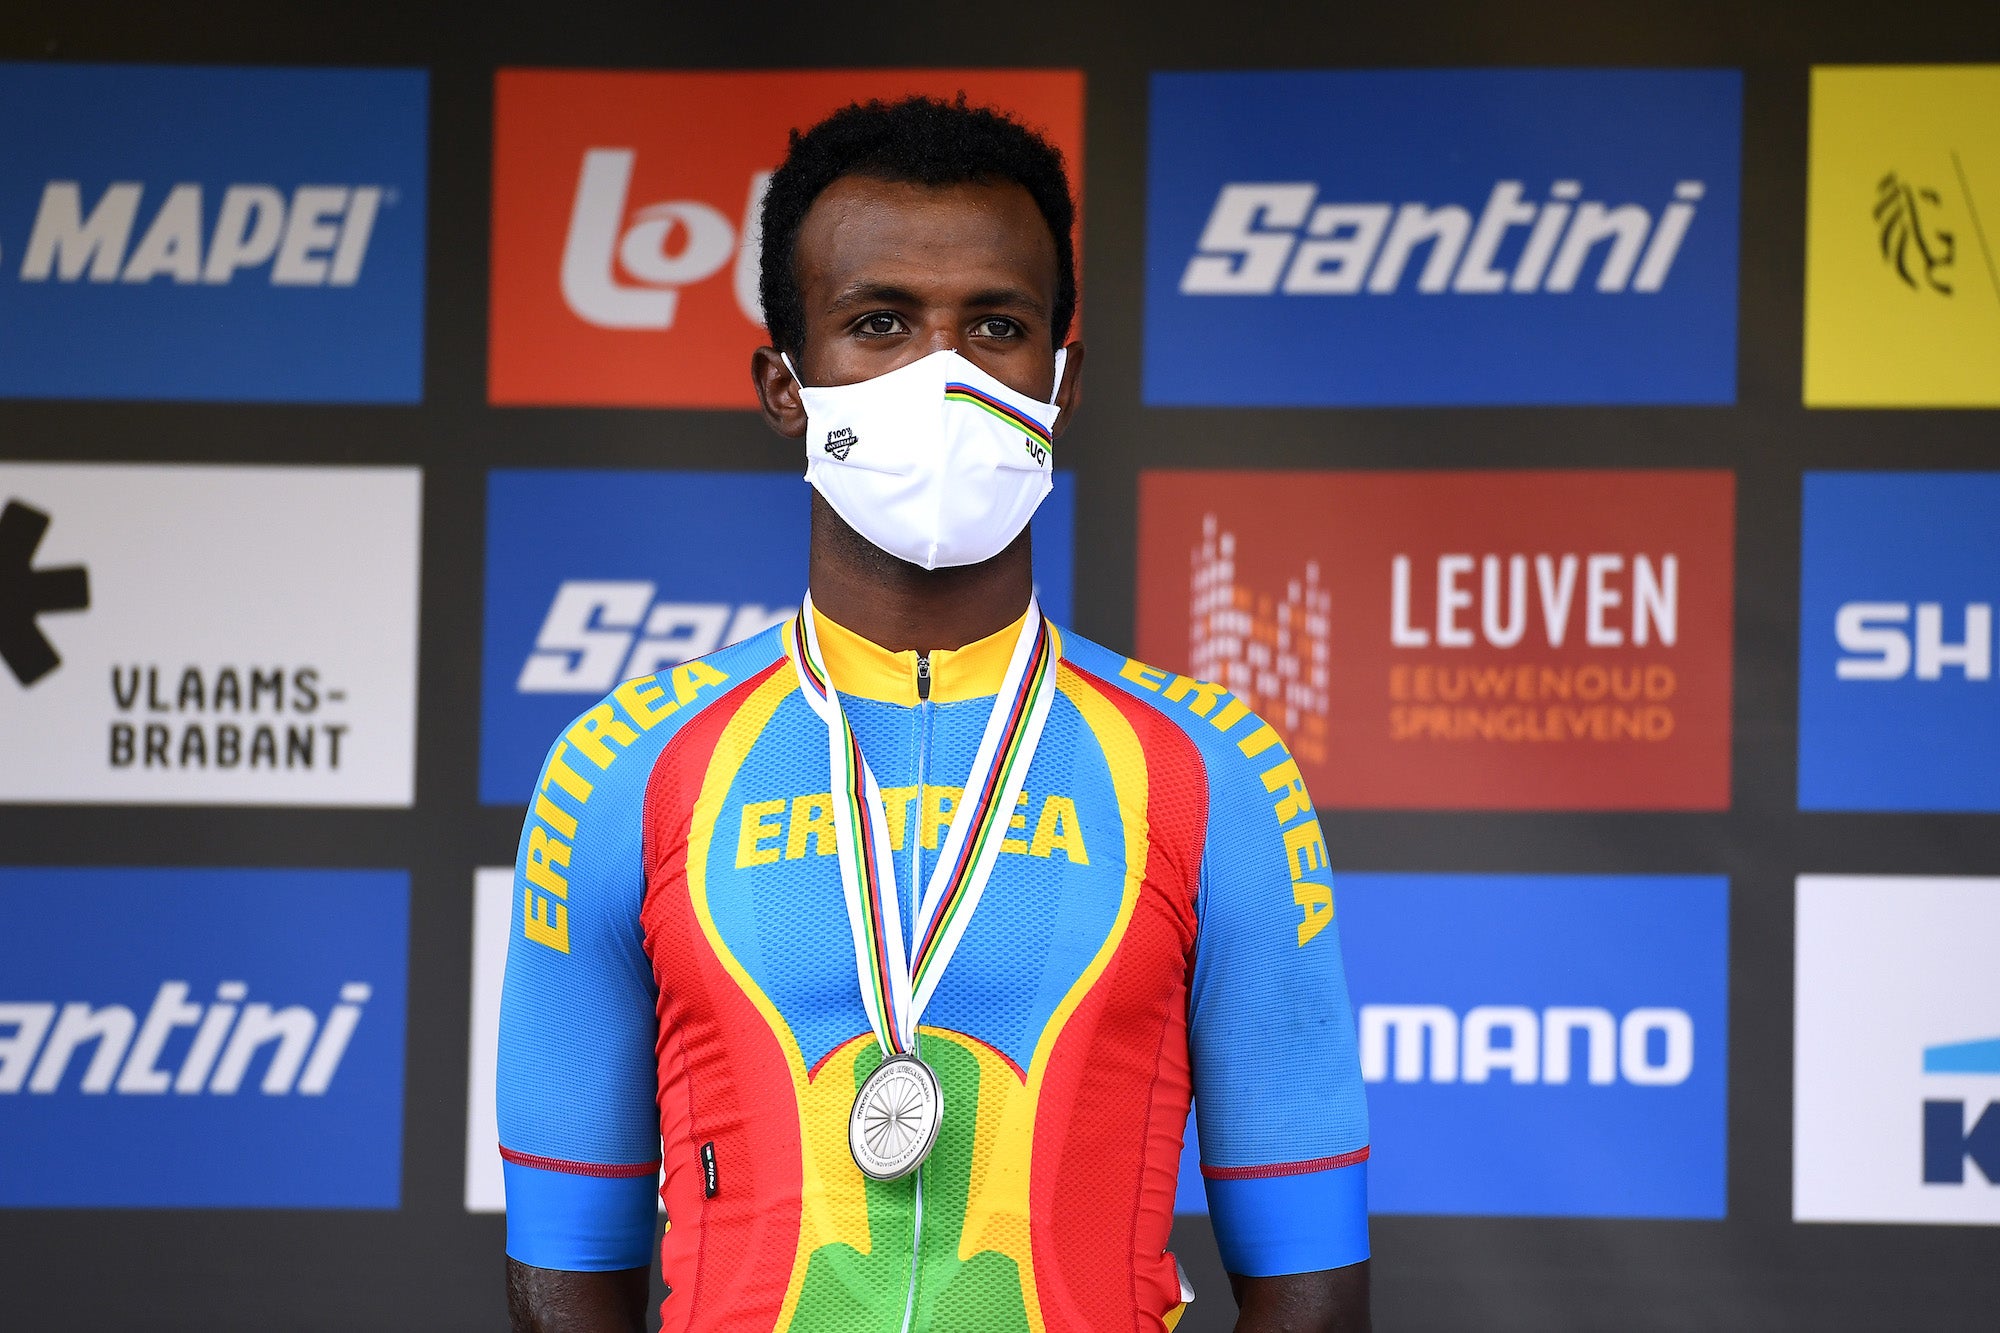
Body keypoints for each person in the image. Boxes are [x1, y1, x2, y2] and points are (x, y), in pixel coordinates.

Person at [497, 95, 1371, 1333]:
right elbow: (558, 1288)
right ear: (783, 387)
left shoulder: (1209, 772)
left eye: (996, 327)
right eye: (879, 324)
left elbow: (1316, 1301)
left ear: (1059, 384)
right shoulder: (622, 768)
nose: (942, 373)